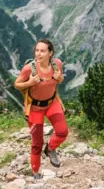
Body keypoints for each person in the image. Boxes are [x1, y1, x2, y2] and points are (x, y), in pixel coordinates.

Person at [14, 39, 69, 178]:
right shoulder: (29, 69)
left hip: (52, 103)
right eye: (37, 50)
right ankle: (36, 172)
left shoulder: (57, 64)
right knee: (37, 142)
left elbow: (60, 79)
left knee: (62, 132)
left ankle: (50, 149)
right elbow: (17, 84)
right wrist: (30, 82)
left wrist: (60, 77)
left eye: (42, 51)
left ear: (50, 53)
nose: (38, 54)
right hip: (34, 108)